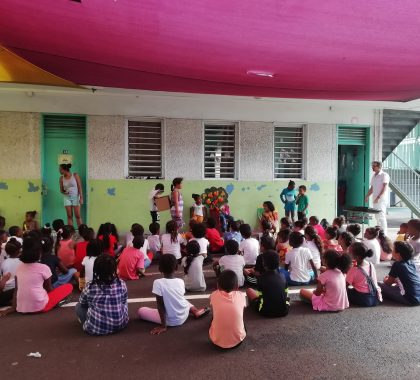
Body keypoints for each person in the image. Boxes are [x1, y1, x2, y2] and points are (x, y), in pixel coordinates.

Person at [0, 236, 73, 316]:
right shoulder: (44, 267)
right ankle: (57, 303)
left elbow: (16, 290)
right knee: (68, 287)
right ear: (39, 254)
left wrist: (13, 308)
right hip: (40, 306)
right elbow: (49, 289)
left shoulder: (19, 267)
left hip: (21, 308)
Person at [138, 254, 210, 335]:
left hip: (171, 321)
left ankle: (193, 311)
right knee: (181, 299)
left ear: (160, 268)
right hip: (184, 314)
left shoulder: (158, 283)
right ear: (176, 268)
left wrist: (163, 326)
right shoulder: (180, 281)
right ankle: (195, 311)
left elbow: (160, 305)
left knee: (141, 311)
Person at [76, 254, 129, 335]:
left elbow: (82, 302)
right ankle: (120, 318)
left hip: (96, 329)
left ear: (96, 270)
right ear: (114, 269)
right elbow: (124, 301)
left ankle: (90, 322)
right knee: (123, 302)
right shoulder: (121, 283)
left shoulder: (90, 286)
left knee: (78, 306)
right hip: (120, 325)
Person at [209, 270, 247, 349]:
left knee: (214, 317)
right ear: (237, 287)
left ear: (218, 286)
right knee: (242, 321)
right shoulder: (241, 296)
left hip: (216, 341)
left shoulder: (213, 295)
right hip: (238, 341)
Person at [246, 250, 290, 318]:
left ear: (264, 264)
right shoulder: (283, 276)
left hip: (265, 312)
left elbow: (261, 297)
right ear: (278, 263)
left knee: (249, 290)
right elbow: (286, 293)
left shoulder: (261, 278)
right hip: (284, 311)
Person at [379, 241, 420, 306]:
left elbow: (389, 283)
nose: (392, 251)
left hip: (409, 299)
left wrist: (385, 280)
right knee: (395, 286)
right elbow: (409, 278)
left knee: (379, 284)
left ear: (398, 254)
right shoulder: (412, 263)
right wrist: (395, 281)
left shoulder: (397, 264)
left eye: (393, 249)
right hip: (418, 296)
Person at [346, 243, 382, 307]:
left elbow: (345, 285)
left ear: (356, 257)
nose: (347, 253)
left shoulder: (354, 270)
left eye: (349, 252)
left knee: (347, 291)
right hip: (376, 297)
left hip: (364, 299)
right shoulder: (371, 265)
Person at [365, 161, 390, 235]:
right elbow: (372, 188)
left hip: (381, 199)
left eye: (374, 166)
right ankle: (379, 233)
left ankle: (384, 234)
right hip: (375, 199)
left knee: (381, 216)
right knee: (377, 217)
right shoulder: (374, 176)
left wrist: (378, 197)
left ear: (379, 167)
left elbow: (384, 187)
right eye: (372, 166)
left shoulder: (384, 175)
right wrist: (367, 196)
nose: (373, 167)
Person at [0, 239, 21, 306]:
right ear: (19, 250)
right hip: (18, 289)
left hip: (6, 290)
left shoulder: (4, 263)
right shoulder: (22, 262)